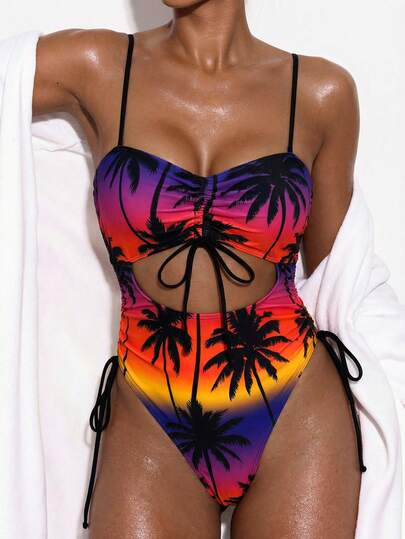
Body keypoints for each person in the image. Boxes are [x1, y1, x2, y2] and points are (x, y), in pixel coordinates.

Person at [32, 1, 367, 536]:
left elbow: (341, 282)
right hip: (149, 407)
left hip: (295, 404)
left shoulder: (320, 92)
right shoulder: (99, 66)